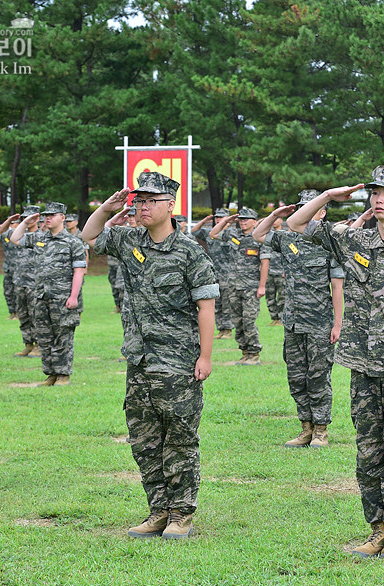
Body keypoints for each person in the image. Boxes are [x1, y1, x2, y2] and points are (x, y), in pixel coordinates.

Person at [288, 165, 384, 559]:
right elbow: (295, 224)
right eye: (375, 192)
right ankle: (376, 529)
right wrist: (327, 196)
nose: (379, 198)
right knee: (368, 451)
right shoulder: (354, 241)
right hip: (363, 366)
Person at [82, 172, 218, 540]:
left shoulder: (190, 252)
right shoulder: (128, 240)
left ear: (170, 205)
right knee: (144, 441)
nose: (141, 206)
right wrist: (106, 208)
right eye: (138, 200)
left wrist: (205, 357)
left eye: (150, 200)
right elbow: (89, 237)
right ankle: (158, 510)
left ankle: (181, 514)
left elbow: (206, 307)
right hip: (140, 361)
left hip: (178, 363)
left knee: (180, 438)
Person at [253, 190, 344, 448]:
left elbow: (337, 287)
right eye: (301, 207)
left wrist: (337, 324)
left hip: (319, 323)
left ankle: (321, 431)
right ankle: (305, 428)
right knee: (296, 377)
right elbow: (258, 235)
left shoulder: (328, 243)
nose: (303, 212)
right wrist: (274, 215)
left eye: (311, 207)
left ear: (322, 212)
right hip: (293, 322)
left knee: (318, 377)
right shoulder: (287, 239)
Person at [11, 202, 86, 386]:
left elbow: (79, 271)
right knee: (44, 337)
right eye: (46, 215)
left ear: (63, 217)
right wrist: (27, 221)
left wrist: (74, 296)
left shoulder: (73, 242)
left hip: (62, 298)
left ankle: (63, 375)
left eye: (53, 215)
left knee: (63, 336)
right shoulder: (39, 238)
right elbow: (15, 238)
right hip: (41, 297)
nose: (48, 218)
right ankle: (51, 374)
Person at [209, 207, 270, 365]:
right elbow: (213, 234)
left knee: (249, 321)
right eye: (240, 219)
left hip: (251, 287)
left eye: (246, 219)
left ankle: (254, 353)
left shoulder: (259, 238)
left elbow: (264, 263)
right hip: (233, 286)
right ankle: (244, 352)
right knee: (237, 321)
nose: (242, 222)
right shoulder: (233, 235)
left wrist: (262, 286)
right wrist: (226, 221)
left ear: (255, 222)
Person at [191, 209, 234, 338]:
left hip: (228, 273)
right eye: (217, 217)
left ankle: (228, 329)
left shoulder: (230, 234)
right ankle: (221, 329)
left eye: (222, 218)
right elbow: (194, 231)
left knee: (227, 303)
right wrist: (204, 221)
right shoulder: (209, 233)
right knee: (217, 303)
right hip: (213, 273)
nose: (218, 220)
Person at [11, 206, 42, 358]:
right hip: (20, 281)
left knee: (35, 315)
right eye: (24, 218)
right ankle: (27, 344)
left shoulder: (41, 236)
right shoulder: (20, 235)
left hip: (34, 282)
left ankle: (38, 345)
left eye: (30, 218)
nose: (27, 221)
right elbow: (12, 239)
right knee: (23, 315)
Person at [0, 214, 21, 320]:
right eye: (10, 223)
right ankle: (12, 312)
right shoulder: (6, 235)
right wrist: (0, 227)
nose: (11, 225)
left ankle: (19, 313)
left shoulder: (23, 235)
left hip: (19, 268)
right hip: (8, 267)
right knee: (8, 291)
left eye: (13, 223)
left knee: (18, 291)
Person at [264, 215, 287, 326]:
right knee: (270, 296)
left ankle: (282, 318)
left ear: (281, 220)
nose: (274, 221)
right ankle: (275, 318)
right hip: (269, 271)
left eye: (277, 218)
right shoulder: (268, 235)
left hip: (281, 272)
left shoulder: (286, 235)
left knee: (282, 296)